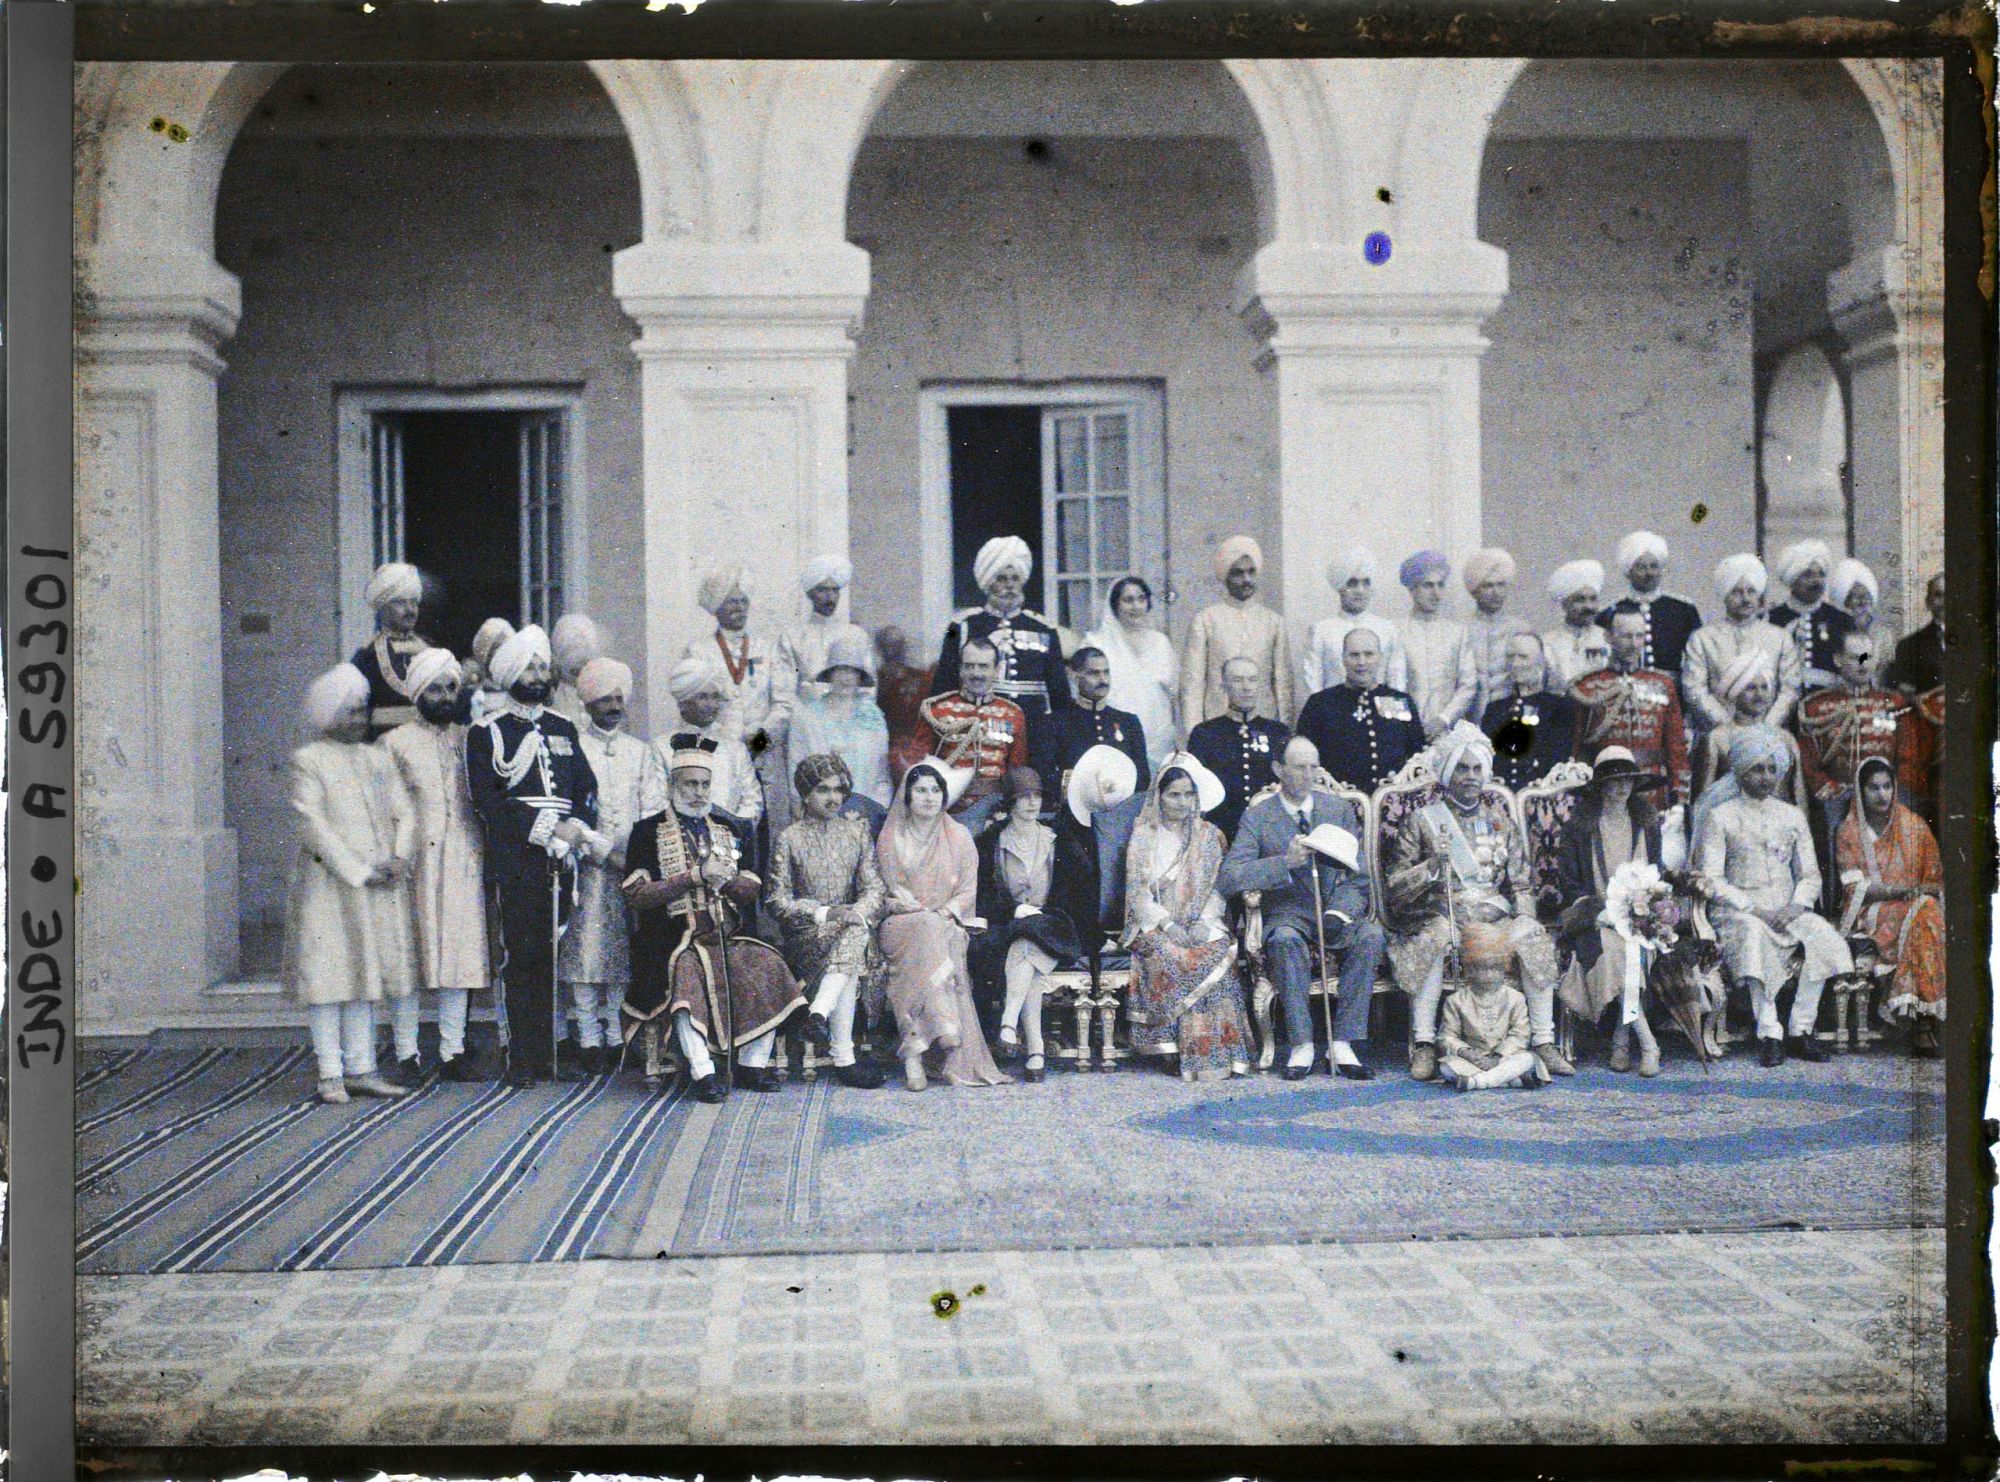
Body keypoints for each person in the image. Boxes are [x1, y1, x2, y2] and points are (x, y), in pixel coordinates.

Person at [1383, 723, 1572, 1082]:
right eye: (1461, 768)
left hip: (1494, 917)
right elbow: (1394, 888)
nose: (1470, 777)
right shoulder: (1422, 821)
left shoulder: (1500, 820)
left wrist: (1526, 919)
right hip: (1443, 915)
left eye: (1476, 769)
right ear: (1446, 773)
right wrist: (1431, 868)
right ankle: (1424, 1043)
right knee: (1434, 937)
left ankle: (1545, 1041)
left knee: (1531, 935)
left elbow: (1519, 882)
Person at [622, 735, 806, 1100]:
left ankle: (753, 1065)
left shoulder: (731, 827)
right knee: (687, 972)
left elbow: (753, 888)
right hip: (671, 939)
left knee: (767, 963)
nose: (699, 792)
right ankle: (703, 1071)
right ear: (672, 785)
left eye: (705, 784)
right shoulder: (646, 831)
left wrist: (729, 880)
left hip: (726, 932)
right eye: (690, 784)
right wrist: (692, 878)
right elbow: (636, 896)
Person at [464, 624, 601, 1087]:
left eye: (544, 666)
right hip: (518, 857)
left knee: (550, 954)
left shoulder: (564, 727)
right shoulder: (486, 732)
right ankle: (519, 1054)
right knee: (519, 955)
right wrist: (546, 830)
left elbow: (585, 787)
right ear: (511, 672)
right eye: (530, 666)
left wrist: (574, 831)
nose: (539, 675)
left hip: (563, 856)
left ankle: (547, 1053)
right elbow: (489, 800)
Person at [285, 663, 419, 1104]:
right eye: (347, 713)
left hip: (378, 884)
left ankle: (362, 1068)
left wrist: (399, 856)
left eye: (362, 712)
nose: (357, 721)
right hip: (330, 885)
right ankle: (329, 1073)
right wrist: (360, 870)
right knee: (329, 979)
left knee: (364, 976)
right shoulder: (308, 760)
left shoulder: (377, 757)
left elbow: (405, 811)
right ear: (327, 716)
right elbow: (312, 825)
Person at [1220, 736, 1386, 1080]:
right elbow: (1230, 877)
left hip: (1334, 913)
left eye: (1314, 766)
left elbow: (1359, 876)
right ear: (1278, 769)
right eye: (1299, 767)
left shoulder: (1337, 810)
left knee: (1370, 936)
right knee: (1283, 940)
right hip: (1288, 916)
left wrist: (1340, 912)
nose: (1308, 774)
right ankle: (1302, 1045)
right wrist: (1284, 862)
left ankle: (1343, 1042)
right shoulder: (1258, 817)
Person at [1693, 728, 1850, 1067]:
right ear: (1739, 770)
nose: (1766, 777)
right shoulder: (1721, 816)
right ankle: (1769, 1031)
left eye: (1771, 769)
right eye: (1757, 769)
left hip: (1787, 907)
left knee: (1823, 937)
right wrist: (1755, 909)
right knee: (1753, 936)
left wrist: (1796, 906)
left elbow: (1809, 874)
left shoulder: (1792, 815)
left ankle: (1800, 1029)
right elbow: (1712, 879)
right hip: (1740, 910)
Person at [379, 648, 488, 1083]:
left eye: (450, 688)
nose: (445, 697)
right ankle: (406, 1052)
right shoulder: (395, 743)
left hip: (463, 855)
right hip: (413, 861)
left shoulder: (469, 738)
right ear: (418, 693)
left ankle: (452, 1050)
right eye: (436, 689)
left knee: (458, 955)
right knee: (411, 955)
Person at [874, 761, 1010, 1092]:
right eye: (920, 790)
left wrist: (946, 911)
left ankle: (914, 1055)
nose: (929, 797)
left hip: (948, 922)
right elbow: (886, 892)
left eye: (936, 790)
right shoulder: (892, 837)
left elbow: (967, 891)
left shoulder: (959, 836)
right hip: (901, 923)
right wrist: (910, 908)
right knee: (926, 927)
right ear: (906, 796)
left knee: (936, 932)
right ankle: (946, 1027)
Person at [558, 657, 660, 1076]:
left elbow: (651, 806)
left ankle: (619, 1035)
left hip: (629, 868)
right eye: (605, 698)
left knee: (622, 952)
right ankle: (587, 1035)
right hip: (585, 866)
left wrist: (634, 855)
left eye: (620, 697)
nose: (615, 705)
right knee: (584, 951)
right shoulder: (574, 746)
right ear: (589, 703)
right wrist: (595, 846)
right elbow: (569, 806)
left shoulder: (641, 751)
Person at [1122, 753, 1253, 1081]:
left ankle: (1220, 1051)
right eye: (1174, 795)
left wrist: (1204, 922)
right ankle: (1172, 1045)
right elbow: (1138, 893)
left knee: (1218, 950)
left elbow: (1217, 888)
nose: (1182, 802)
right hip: (1154, 923)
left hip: (1201, 920)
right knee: (1170, 954)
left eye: (1188, 794)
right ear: (1159, 797)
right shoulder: (1144, 836)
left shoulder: (1209, 835)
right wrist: (1168, 924)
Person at [766, 753, 891, 1089]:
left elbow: (874, 888)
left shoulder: (856, 833)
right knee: (852, 940)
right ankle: (843, 1057)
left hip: (851, 931)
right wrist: (824, 912)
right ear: (806, 793)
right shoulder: (789, 837)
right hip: (807, 936)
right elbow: (776, 901)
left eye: (838, 790)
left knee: (853, 933)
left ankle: (820, 1016)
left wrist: (855, 912)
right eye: (823, 789)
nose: (833, 797)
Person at [1552, 748, 1670, 1076]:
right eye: (1612, 782)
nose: (1620, 789)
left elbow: (1656, 870)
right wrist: (1600, 911)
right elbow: (1570, 884)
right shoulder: (1579, 827)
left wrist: (1649, 906)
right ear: (1600, 786)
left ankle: (1621, 1037)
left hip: (1639, 914)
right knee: (1618, 952)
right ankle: (1647, 1043)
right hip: (1595, 916)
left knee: (1636, 950)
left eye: (1627, 782)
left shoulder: (1646, 822)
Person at [969, 768, 1083, 1083]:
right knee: (1025, 948)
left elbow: (1074, 892)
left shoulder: (1056, 838)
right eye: (1024, 797)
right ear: (1010, 802)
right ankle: (1035, 1049)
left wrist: (1042, 912)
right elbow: (982, 895)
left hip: (1053, 924)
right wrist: (1013, 909)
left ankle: (1008, 1022)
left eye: (1037, 796)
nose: (1033, 803)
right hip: (1010, 926)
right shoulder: (991, 842)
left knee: (1030, 940)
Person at [929, 536, 1070, 775]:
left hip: (1035, 727)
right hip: (982, 726)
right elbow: (943, 687)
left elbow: (1060, 694)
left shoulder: (1044, 628)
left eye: (1015, 579)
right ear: (988, 582)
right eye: (1001, 578)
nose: (1010, 586)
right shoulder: (961, 625)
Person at [1835, 756, 1945, 1058]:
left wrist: (1920, 892)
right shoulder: (1849, 832)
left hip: (1916, 904)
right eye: (1874, 788)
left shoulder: (1914, 826)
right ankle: (1922, 1022)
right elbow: (1855, 888)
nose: (1882, 794)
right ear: (1860, 791)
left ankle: (1921, 1016)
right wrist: (1900, 890)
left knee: (1927, 913)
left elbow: (1934, 877)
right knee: (1924, 915)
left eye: (1887, 786)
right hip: (1871, 910)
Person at [683, 565, 796, 831]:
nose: (739, 607)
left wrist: (759, 739)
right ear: (717, 605)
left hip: (763, 752)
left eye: (743, 601)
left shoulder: (767, 647)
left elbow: (784, 703)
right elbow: (694, 705)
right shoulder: (699, 651)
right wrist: (731, 742)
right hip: (720, 751)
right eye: (732, 601)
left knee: (767, 829)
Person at [1796, 629, 1931, 841]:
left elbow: (1909, 758)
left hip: (1887, 800)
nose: (1863, 663)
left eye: (1868, 656)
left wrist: (1892, 792)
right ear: (1838, 659)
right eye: (1854, 657)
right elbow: (1808, 762)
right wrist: (1832, 791)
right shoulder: (1815, 707)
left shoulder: (1895, 704)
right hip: (1837, 801)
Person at [1573, 610, 1692, 805]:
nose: (1634, 643)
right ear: (1608, 637)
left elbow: (1676, 746)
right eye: (1626, 636)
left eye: (1639, 636)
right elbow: (1577, 748)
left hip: (1652, 787)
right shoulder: (1587, 687)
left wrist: (1679, 796)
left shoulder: (1663, 684)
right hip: (1604, 787)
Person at [1688, 657, 1809, 847]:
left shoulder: (1785, 739)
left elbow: (1799, 795)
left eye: (1764, 687)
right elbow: (1702, 802)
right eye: (1751, 688)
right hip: (1733, 838)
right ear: (1735, 693)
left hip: (1780, 836)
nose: (1759, 694)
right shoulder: (1717, 738)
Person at [914, 636, 1029, 832]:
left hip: (995, 813)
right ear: (960, 669)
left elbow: (1017, 769)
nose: (976, 673)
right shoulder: (936, 710)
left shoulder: (1013, 714)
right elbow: (920, 767)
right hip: (947, 812)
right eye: (969, 666)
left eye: (983, 666)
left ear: (997, 669)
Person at [1294, 628, 1425, 796]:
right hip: (1337, 802)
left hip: (1392, 803)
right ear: (1343, 659)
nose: (1361, 662)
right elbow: (1304, 760)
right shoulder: (1320, 704)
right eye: (1354, 655)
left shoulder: (1401, 701)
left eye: (1369, 654)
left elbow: (1417, 756)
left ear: (1380, 657)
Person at [1683, 554, 1802, 735]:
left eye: (1751, 591)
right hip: (1719, 736)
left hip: (1770, 735)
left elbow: (1790, 690)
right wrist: (1729, 728)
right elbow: (1694, 690)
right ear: (1725, 595)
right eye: (1737, 592)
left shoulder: (1780, 638)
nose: (1745, 598)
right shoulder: (1703, 639)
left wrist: (1766, 728)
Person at [1180, 536, 1294, 725]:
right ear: (1225, 576)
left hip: (1264, 721)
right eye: (1238, 573)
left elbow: (1283, 683)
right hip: (1217, 722)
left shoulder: (1274, 622)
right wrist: (1195, 733)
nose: (1246, 579)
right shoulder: (1206, 620)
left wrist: (1284, 730)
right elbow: (1192, 684)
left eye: (1251, 572)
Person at [1435, 923, 1551, 1091]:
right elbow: (1446, 1037)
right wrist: (1467, 1053)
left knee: (1527, 1059)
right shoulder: (1456, 1000)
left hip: (1505, 1057)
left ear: (1505, 969)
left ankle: (1479, 1082)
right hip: (1471, 1059)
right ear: (1468, 969)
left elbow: (1521, 1034)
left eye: (1495, 968)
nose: (1489, 975)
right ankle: (1510, 1080)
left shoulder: (1515, 998)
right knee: (1446, 1068)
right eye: (1482, 969)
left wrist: (1497, 1057)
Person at [788, 630, 894, 810]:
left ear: (860, 677)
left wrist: (877, 810)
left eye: (852, 671)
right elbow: (796, 771)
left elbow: (882, 774)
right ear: (829, 674)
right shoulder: (807, 716)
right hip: (820, 813)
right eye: (840, 670)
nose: (846, 677)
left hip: (864, 809)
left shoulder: (872, 715)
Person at [1187, 657, 1289, 840]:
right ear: (1224, 686)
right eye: (1237, 680)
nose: (1246, 687)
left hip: (1268, 829)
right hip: (1222, 829)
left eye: (1252, 679)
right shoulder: (1205, 733)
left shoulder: (1277, 732)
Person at [1085, 576, 1179, 773]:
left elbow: (1172, 694)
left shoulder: (1160, 642)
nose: (1136, 606)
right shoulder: (1097, 644)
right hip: (1114, 735)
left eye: (1141, 599)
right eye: (1128, 600)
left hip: (1158, 738)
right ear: (1115, 605)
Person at [659, 658, 764, 829]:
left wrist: (732, 831)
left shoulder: (734, 748)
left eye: (715, 697)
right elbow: (657, 803)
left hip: (730, 844)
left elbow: (752, 799)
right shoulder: (661, 747)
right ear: (683, 703)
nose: (712, 705)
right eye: (703, 697)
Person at [1042, 646, 1151, 805]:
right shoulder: (1055, 722)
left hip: (1120, 812)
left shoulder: (1128, 722)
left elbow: (1142, 776)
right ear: (1074, 676)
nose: (1103, 680)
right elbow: (1046, 775)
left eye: (1106, 672)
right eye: (1094, 673)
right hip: (1074, 811)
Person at [1300, 547, 1409, 698]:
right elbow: (1313, 683)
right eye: (1352, 583)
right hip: (1334, 715)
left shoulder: (1388, 629)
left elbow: (1397, 681)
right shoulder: (1321, 631)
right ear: (1340, 587)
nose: (1360, 590)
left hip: (1380, 716)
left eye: (1366, 583)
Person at [1595, 531, 1703, 683]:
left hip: (1672, 692)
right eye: (1641, 567)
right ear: (1628, 572)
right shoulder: (1609, 612)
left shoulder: (1684, 609)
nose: (1649, 573)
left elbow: (1698, 659)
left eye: (1654, 566)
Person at [1394, 550, 1479, 740]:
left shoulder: (1457, 632)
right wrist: (1407, 723)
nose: (1436, 593)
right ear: (1412, 588)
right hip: (1406, 730)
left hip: (1449, 730)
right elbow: (1393, 684)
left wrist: (1443, 719)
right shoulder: (1396, 631)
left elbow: (1468, 685)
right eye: (1428, 585)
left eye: (1440, 585)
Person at [1480, 633, 1581, 792]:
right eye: (1510, 657)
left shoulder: (1559, 708)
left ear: (1541, 662)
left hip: (1542, 794)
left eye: (1523, 657)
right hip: (1502, 795)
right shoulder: (1495, 709)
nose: (1515, 664)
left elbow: (1560, 757)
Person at [351, 561, 434, 739]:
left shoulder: (430, 650)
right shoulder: (367, 656)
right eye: (400, 603)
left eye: (414, 603)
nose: (410, 610)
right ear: (382, 608)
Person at [1767, 539, 1856, 693]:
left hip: (1830, 702)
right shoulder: (1772, 619)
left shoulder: (1842, 620)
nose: (1816, 581)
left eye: (1821, 574)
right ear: (1792, 579)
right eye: (1808, 575)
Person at [781, 556, 870, 706]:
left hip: (850, 720)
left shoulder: (856, 635)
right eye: (823, 590)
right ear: (810, 593)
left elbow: (868, 689)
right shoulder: (792, 637)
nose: (830, 597)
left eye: (835, 590)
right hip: (807, 719)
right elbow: (785, 691)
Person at [1462, 548, 1532, 723]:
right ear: (1474, 590)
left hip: (1510, 718)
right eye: (1488, 585)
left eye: (1501, 585)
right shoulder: (1463, 630)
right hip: (1469, 720)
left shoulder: (1521, 628)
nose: (1496, 592)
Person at [875, 624, 935, 785]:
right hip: (887, 748)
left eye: (898, 644)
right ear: (880, 648)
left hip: (918, 746)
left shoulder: (918, 676)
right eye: (888, 645)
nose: (894, 649)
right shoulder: (876, 680)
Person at [1541, 559, 1612, 687]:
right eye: (1580, 600)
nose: (1588, 606)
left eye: (1593, 599)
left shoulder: (1609, 640)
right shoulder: (1547, 643)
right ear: (1564, 604)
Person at [1887, 572, 1945, 696]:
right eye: (1939, 595)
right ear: (1928, 602)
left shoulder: (1978, 643)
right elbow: (1905, 694)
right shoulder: (1909, 646)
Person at [549, 613, 604, 725]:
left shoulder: (605, 698)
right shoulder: (550, 701)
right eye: (571, 648)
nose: (583, 660)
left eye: (587, 648)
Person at [1829, 558, 1888, 661]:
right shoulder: (1834, 634)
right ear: (1844, 602)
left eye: (1865, 596)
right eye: (1855, 597)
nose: (1862, 602)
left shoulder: (1882, 635)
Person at [464, 616, 516, 725]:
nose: (506, 653)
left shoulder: (522, 689)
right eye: (498, 648)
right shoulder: (471, 696)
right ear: (485, 656)